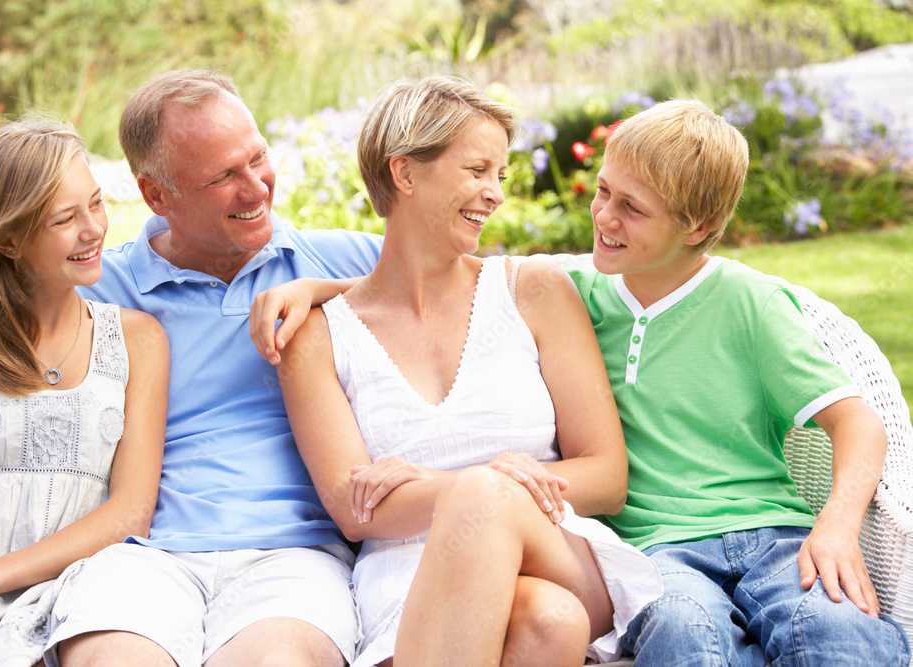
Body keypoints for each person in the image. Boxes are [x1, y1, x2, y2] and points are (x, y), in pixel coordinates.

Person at [272, 75, 662, 667]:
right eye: (477, 170)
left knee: (493, 504)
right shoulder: (316, 333)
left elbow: (607, 476)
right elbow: (355, 512)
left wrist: (465, 486)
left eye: (499, 176)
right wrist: (474, 485)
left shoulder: (533, 292)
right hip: (408, 578)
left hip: (554, 546)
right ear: (404, 174)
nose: (495, 194)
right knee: (548, 622)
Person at [44, 69, 382, 667]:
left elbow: (481, 291)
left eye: (258, 159)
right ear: (156, 196)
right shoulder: (102, 289)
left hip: (295, 557)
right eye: (224, 176)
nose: (256, 189)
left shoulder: (348, 258)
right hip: (141, 555)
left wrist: (325, 288)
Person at [567, 99, 910, 664]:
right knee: (683, 632)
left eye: (632, 207)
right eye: (604, 191)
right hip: (656, 553)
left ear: (697, 226)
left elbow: (858, 423)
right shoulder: (568, 296)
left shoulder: (751, 302)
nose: (604, 216)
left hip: (776, 537)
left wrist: (837, 528)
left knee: (835, 630)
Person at [0, 119, 168, 666]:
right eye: (64, 218)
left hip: (81, 588)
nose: (94, 228)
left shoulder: (138, 340)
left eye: (96, 204)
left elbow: (129, 514)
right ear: (7, 239)